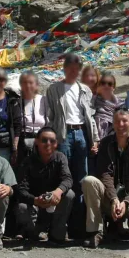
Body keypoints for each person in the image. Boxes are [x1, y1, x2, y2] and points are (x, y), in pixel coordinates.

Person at [81, 109, 129, 248]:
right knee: (89, 181)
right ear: (113, 124)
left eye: (125, 121)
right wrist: (114, 199)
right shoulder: (106, 143)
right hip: (110, 197)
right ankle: (96, 231)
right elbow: (104, 174)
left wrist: (125, 202)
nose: (121, 124)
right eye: (117, 121)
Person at [46, 53, 99, 196]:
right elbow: (49, 117)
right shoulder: (54, 89)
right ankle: (64, 212)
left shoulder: (84, 89)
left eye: (77, 69)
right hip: (63, 134)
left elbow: (90, 116)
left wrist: (95, 139)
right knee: (63, 174)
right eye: (70, 68)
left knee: (82, 175)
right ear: (64, 68)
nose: (73, 71)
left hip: (81, 133)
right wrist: (51, 138)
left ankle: (79, 214)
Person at [16, 127, 74, 244]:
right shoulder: (28, 161)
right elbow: (21, 189)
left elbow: (68, 179)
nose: (48, 144)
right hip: (36, 205)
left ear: (56, 143)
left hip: (54, 203)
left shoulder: (60, 157)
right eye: (44, 140)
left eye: (52, 141)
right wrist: (35, 200)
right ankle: (33, 230)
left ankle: (56, 231)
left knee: (70, 194)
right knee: (21, 207)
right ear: (36, 141)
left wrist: (57, 192)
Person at [18, 71, 48, 161]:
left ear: (37, 85)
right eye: (24, 83)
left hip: (41, 141)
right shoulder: (16, 101)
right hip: (22, 142)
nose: (28, 86)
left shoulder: (44, 100)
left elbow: (50, 121)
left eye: (31, 83)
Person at [93, 72, 121, 140]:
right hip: (94, 138)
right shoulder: (92, 100)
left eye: (110, 84)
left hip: (113, 138)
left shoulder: (121, 104)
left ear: (113, 87)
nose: (106, 86)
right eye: (103, 83)